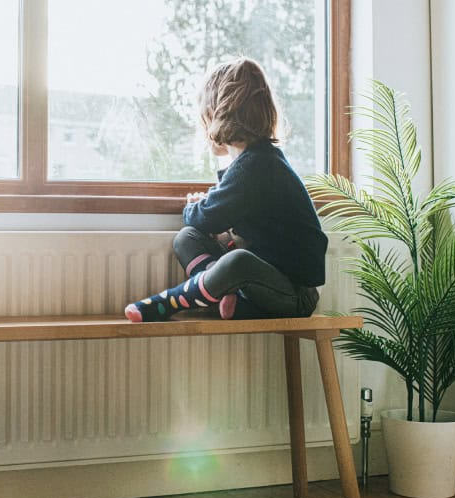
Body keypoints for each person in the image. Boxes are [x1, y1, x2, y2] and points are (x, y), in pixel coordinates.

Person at [124, 56, 327, 323]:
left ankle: (171, 301)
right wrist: (210, 216)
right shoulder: (251, 164)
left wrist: (194, 207)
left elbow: (209, 217)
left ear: (216, 117)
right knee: (187, 238)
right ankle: (225, 298)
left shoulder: (258, 165)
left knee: (237, 262)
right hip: (257, 285)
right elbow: (221, 217)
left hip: (293, 294)